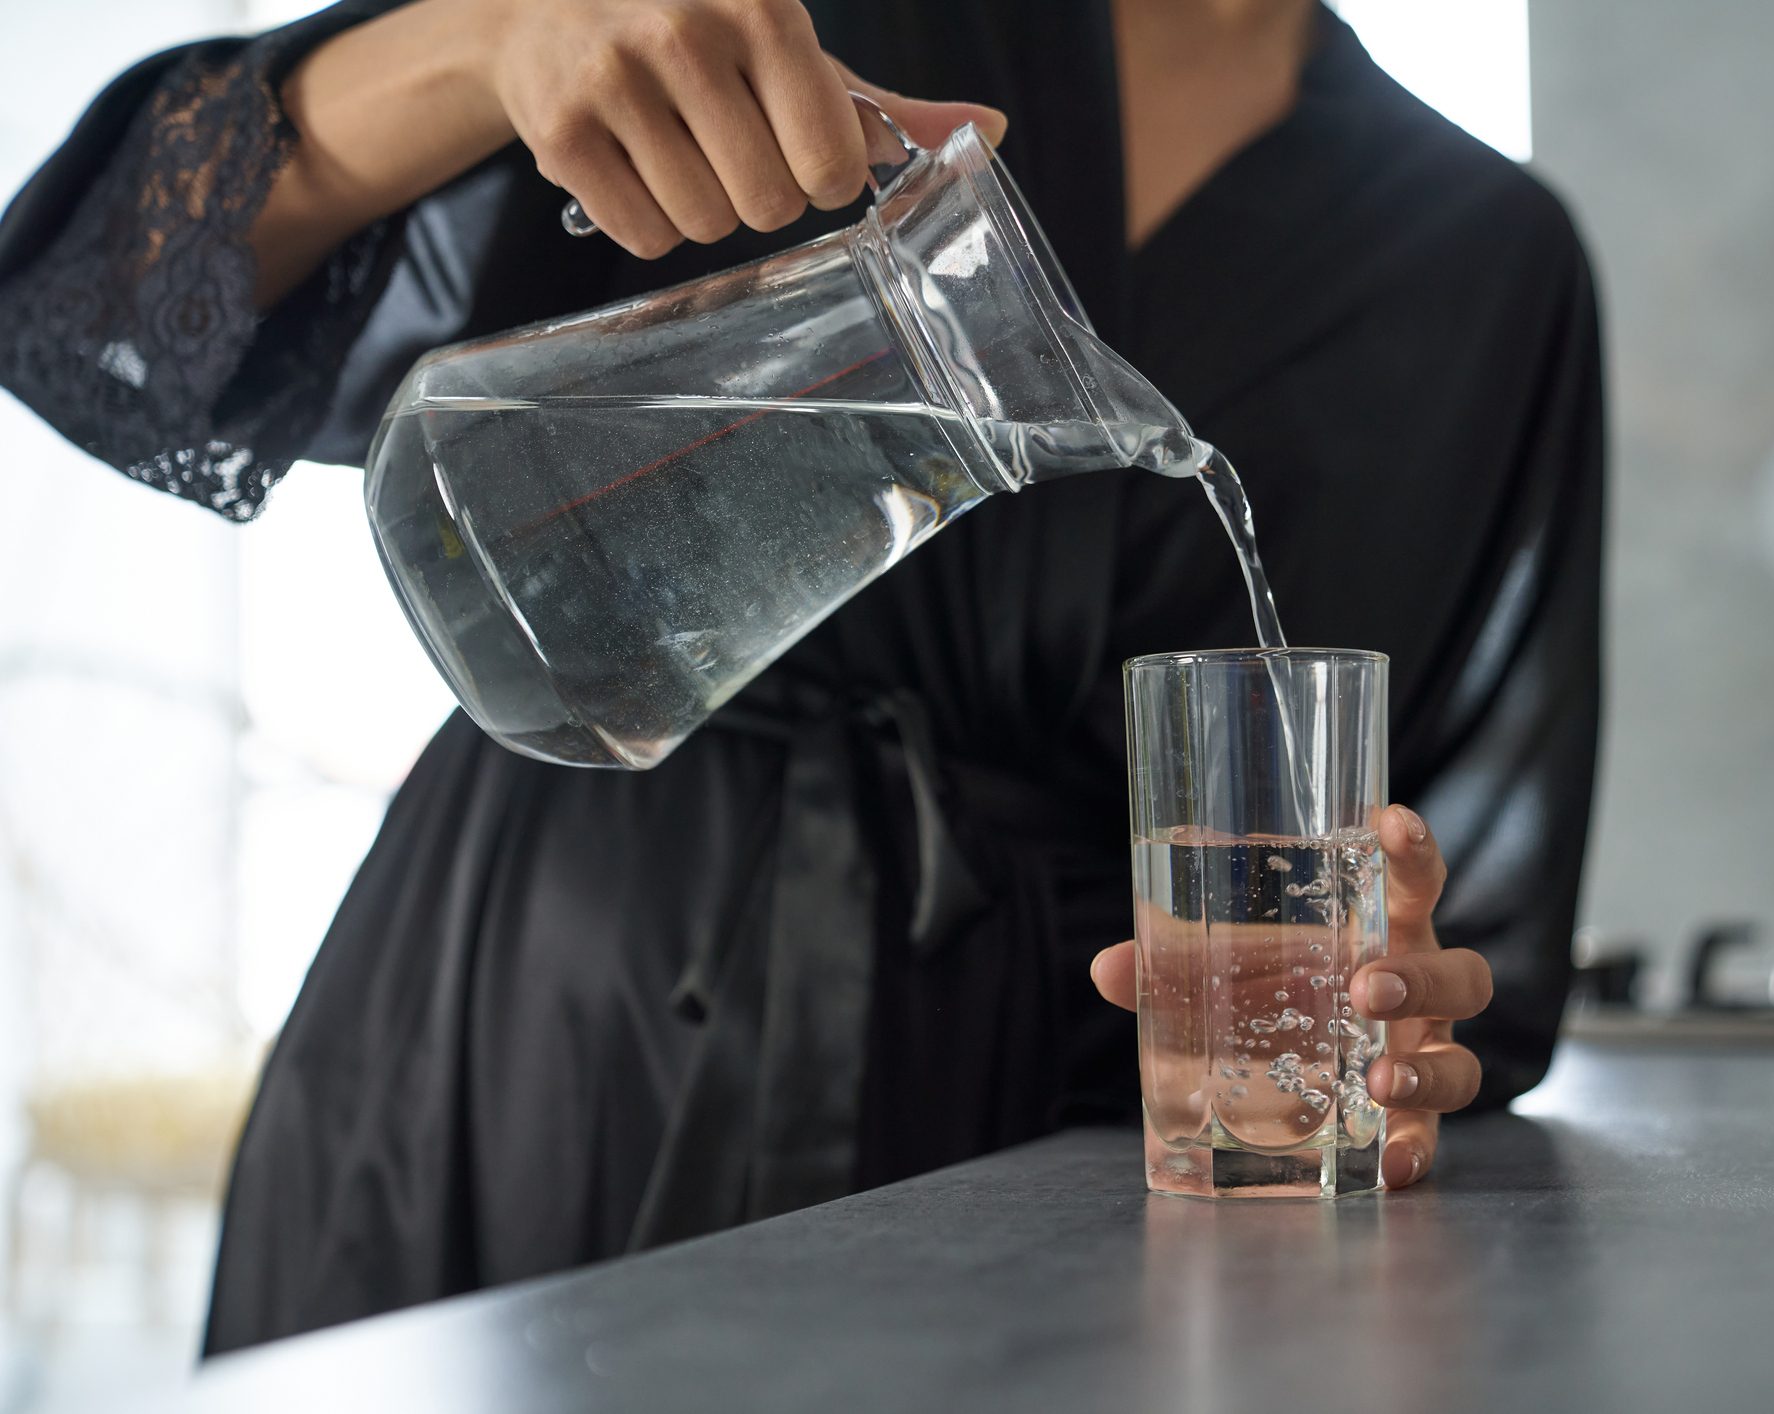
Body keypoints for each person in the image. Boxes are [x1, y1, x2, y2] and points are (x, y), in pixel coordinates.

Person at [0, 0, 1603, 1353]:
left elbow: (1456, 932)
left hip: (1052, 1208)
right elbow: (84, 312)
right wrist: (485, 38)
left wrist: (1395, 996)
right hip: (526, 1059)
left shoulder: (1482, 258)